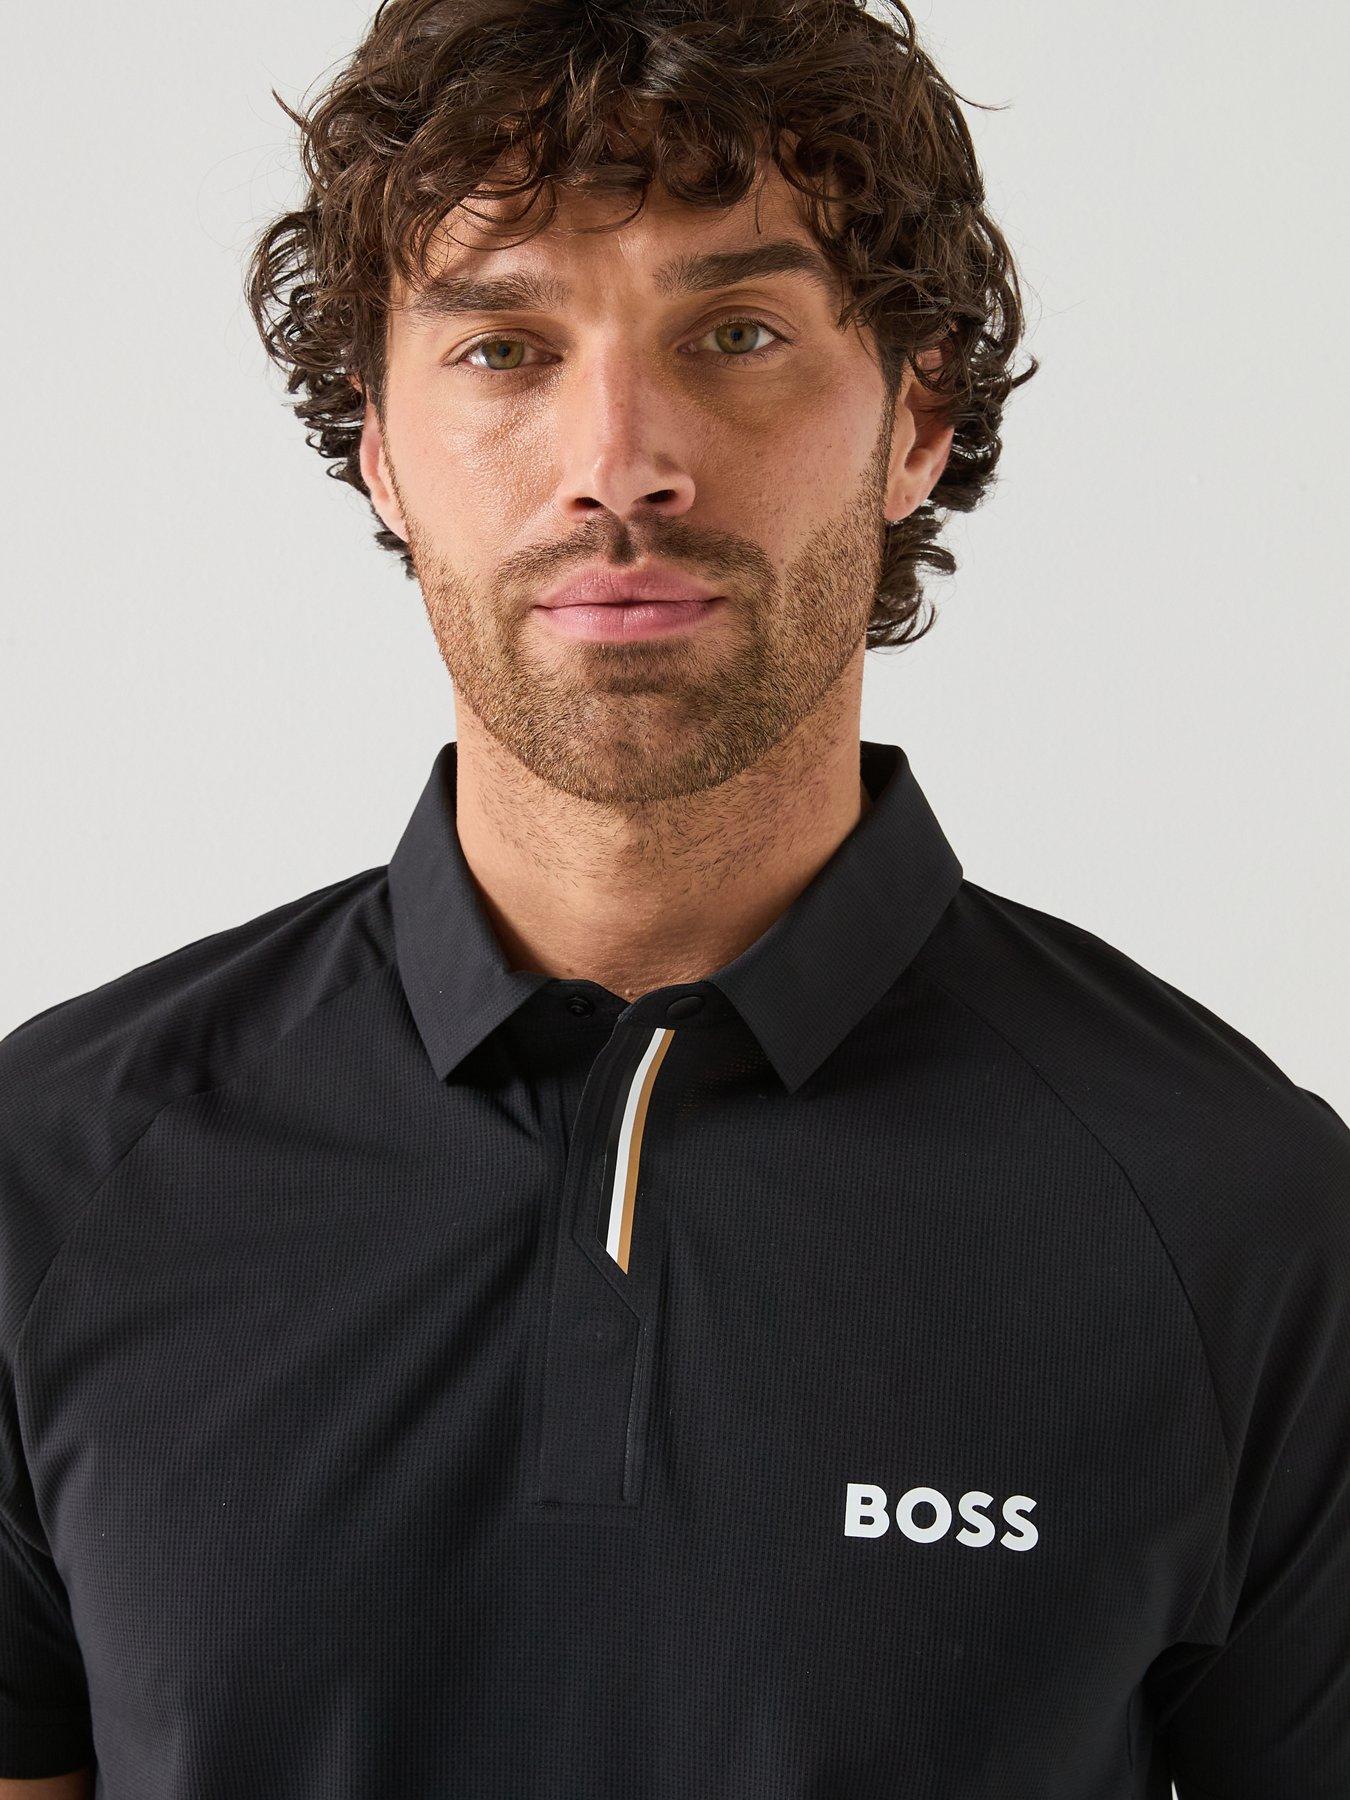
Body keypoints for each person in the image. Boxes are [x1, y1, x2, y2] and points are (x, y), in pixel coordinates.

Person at [1, 1, 1346, 1795]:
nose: (620, 459)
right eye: (503, 348)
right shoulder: (52, 1179)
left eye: (735, 333)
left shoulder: (1241, 1218)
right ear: (379, 443)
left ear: (916, 417)